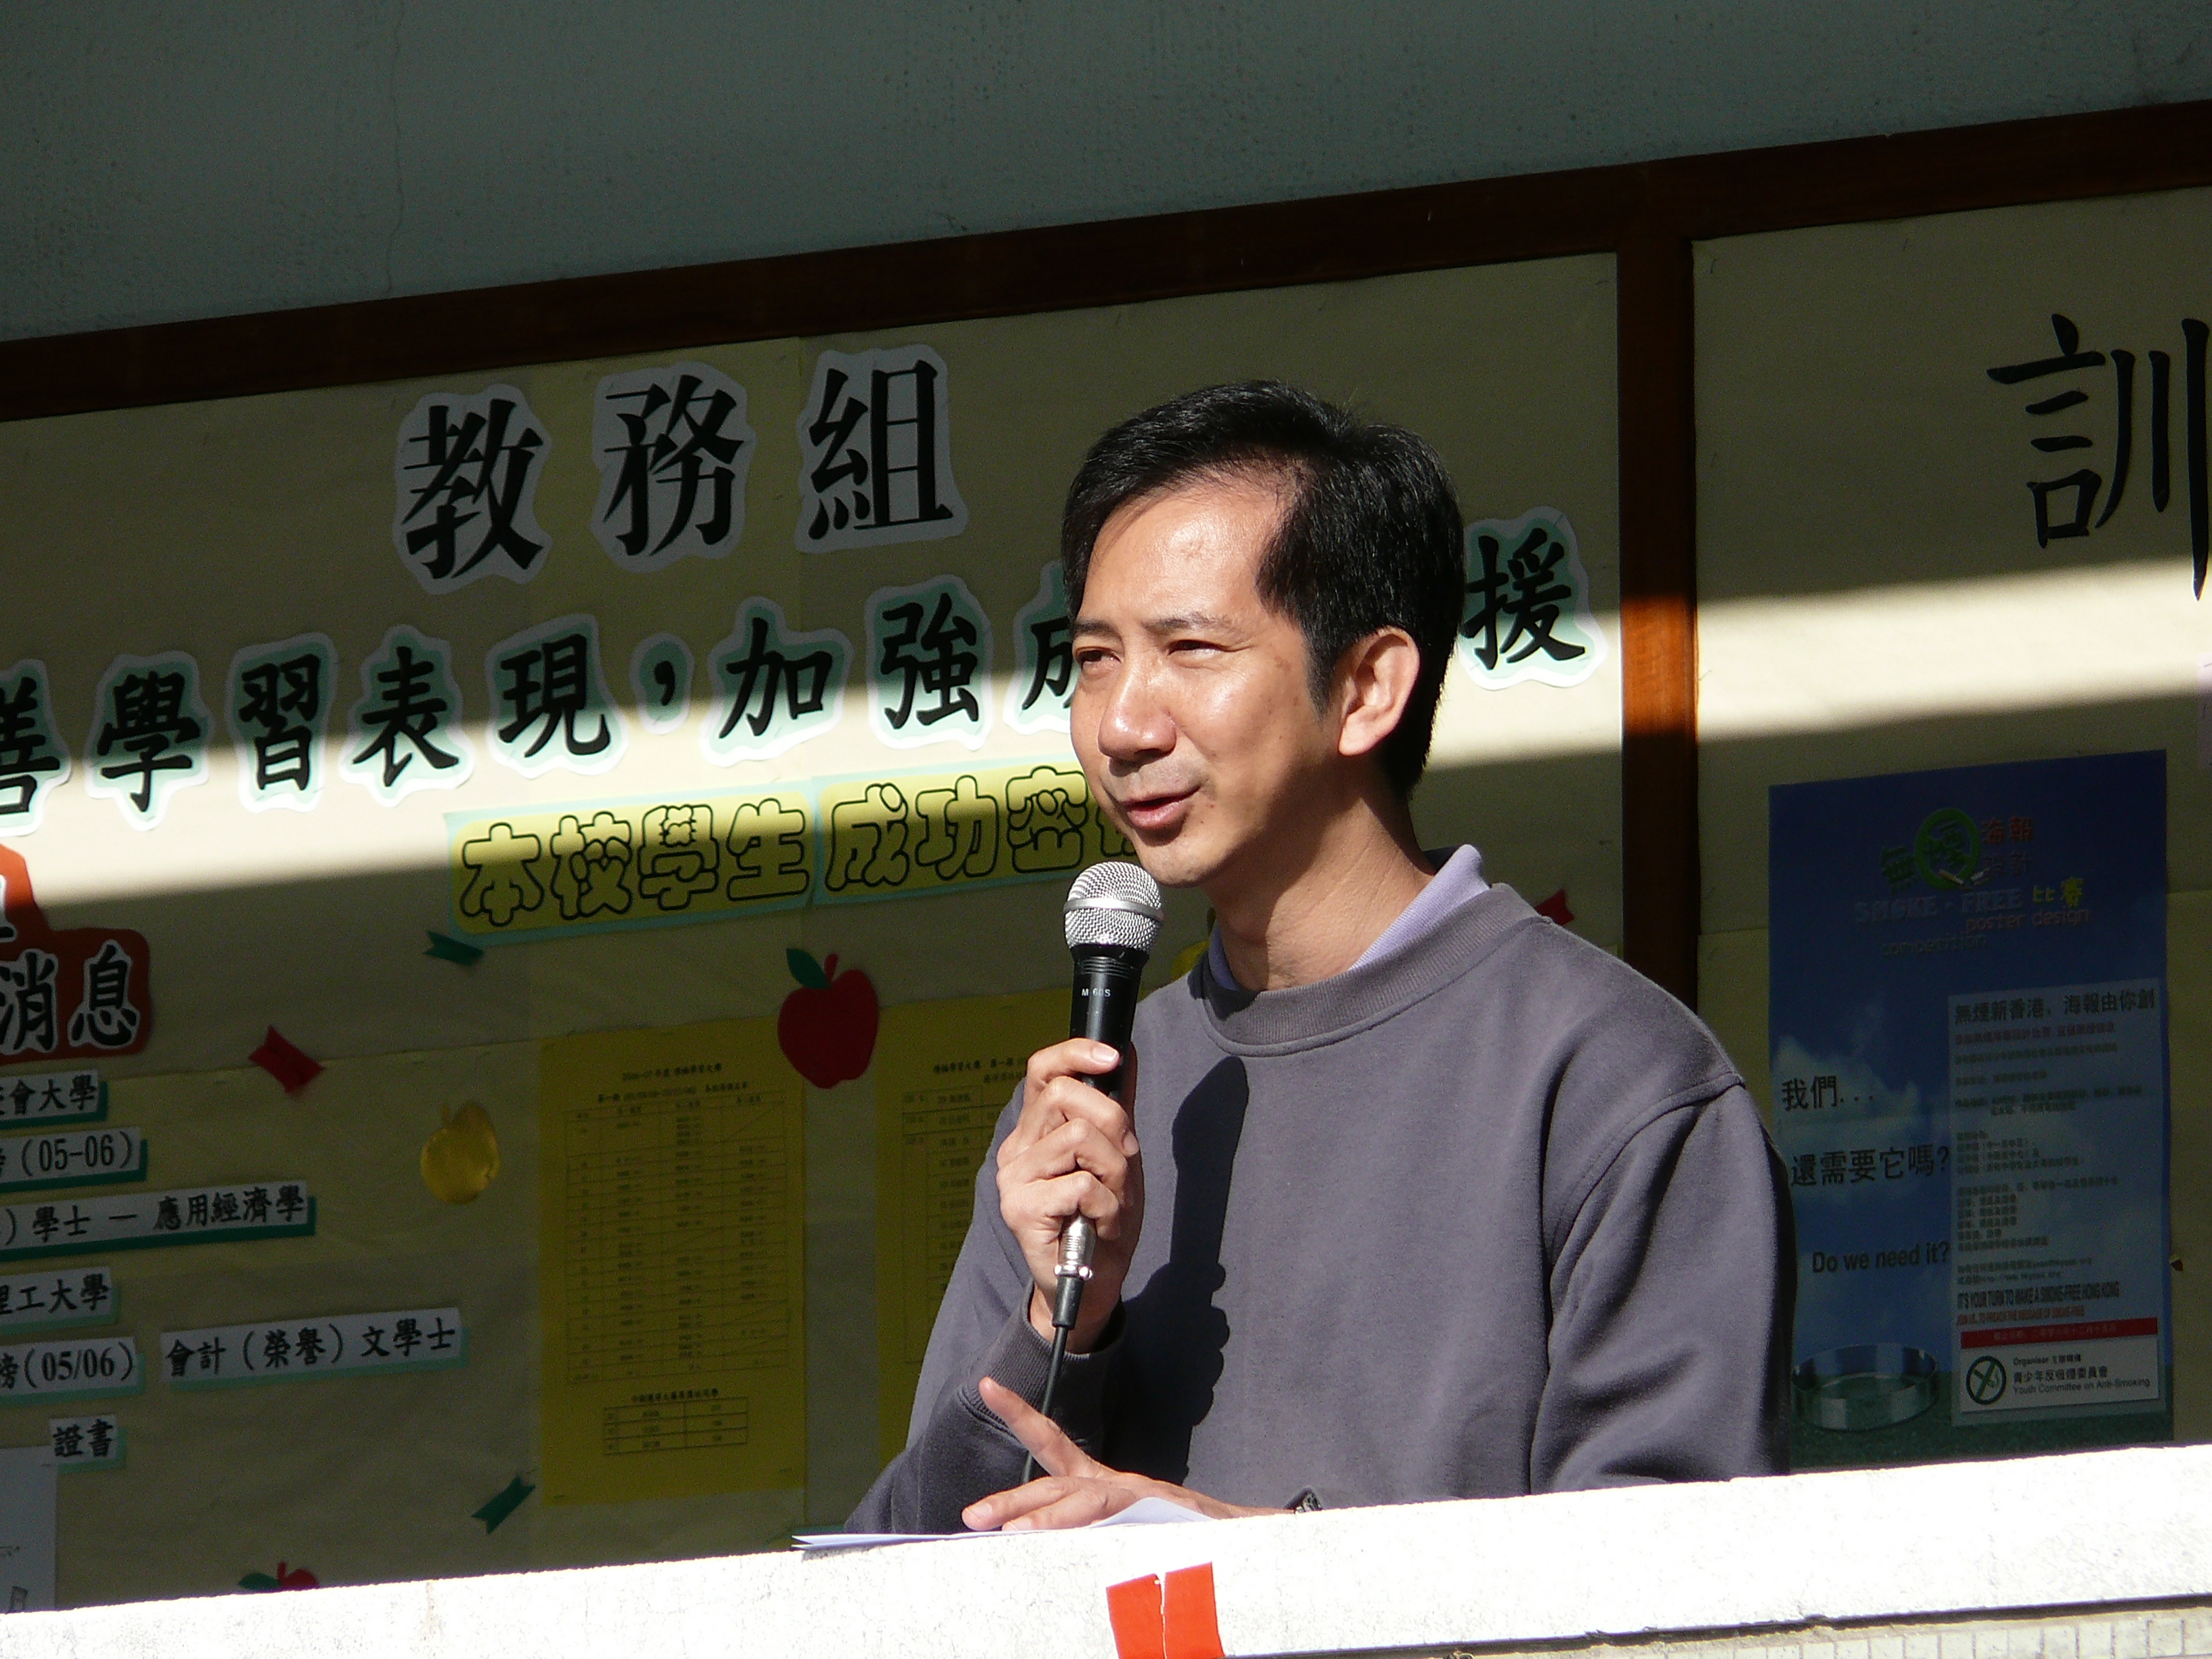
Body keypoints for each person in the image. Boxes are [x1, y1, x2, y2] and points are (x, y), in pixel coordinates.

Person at [848, 382, 1791, 1534]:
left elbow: (1676, 1571)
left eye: (1191, 649)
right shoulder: (1090, 1102)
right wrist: (1064, 1326)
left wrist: (1237, 1556)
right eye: (1093, 659)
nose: (1123, 725)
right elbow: (908, 1565)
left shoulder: (1610, 1077)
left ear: (1366, 687)